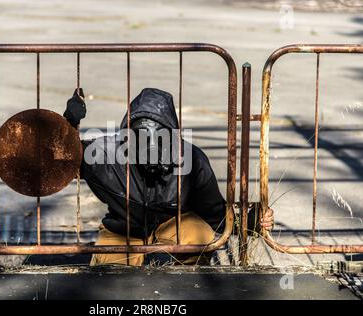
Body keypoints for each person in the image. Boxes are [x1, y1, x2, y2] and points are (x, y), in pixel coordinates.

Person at [63, 87, 274, 266]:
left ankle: (190, 286)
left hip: (174, 222)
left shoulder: (193, 160)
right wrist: (68, 125)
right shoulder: (104, 156)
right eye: (143, 138)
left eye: (161, 138)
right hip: (123, 227)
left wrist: (253, 221)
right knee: (110, 279)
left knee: (200, 238)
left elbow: (214, 213)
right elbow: (59, 162)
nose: (152, 147)